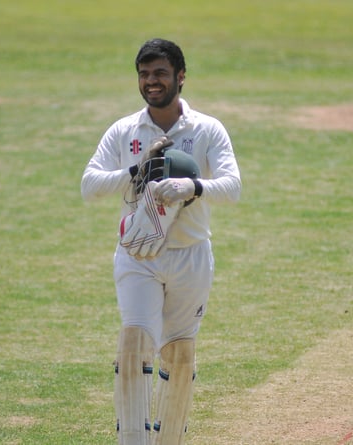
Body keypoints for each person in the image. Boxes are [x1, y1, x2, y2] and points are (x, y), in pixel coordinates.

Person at [81, 38, 241, 444]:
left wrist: (192, 185)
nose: (151, 81)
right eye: (145, 74)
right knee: (134, 343)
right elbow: (89, 185)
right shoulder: (125, 130)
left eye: (160, 73)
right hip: (139, 254)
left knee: (180, 355)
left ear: (180, 77)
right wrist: (136, 170)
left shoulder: (207, 129)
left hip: (190, 255)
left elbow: (232, 186)